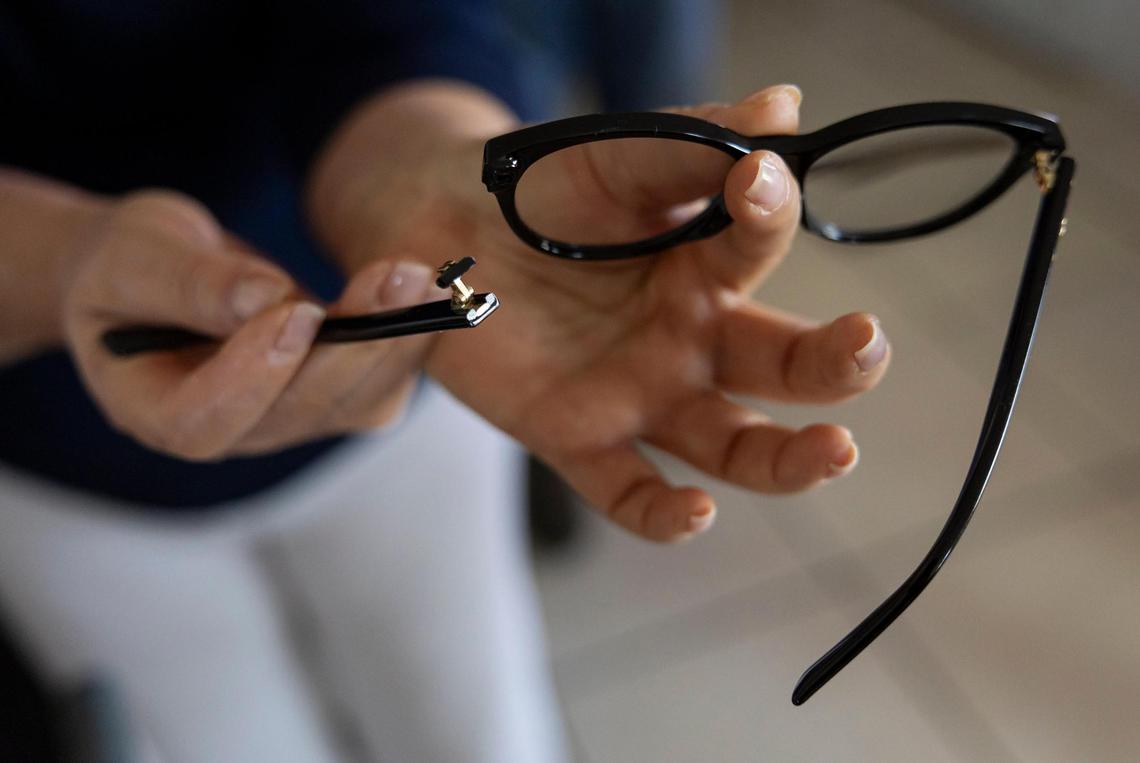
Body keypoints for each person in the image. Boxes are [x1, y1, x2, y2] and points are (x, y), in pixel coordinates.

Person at [0, 1, 891, 760]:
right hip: (62, 481)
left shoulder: (472, 308)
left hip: (430, 394)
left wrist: (427, 169)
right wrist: (62, 262)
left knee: (483, 730)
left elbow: (400, 22)